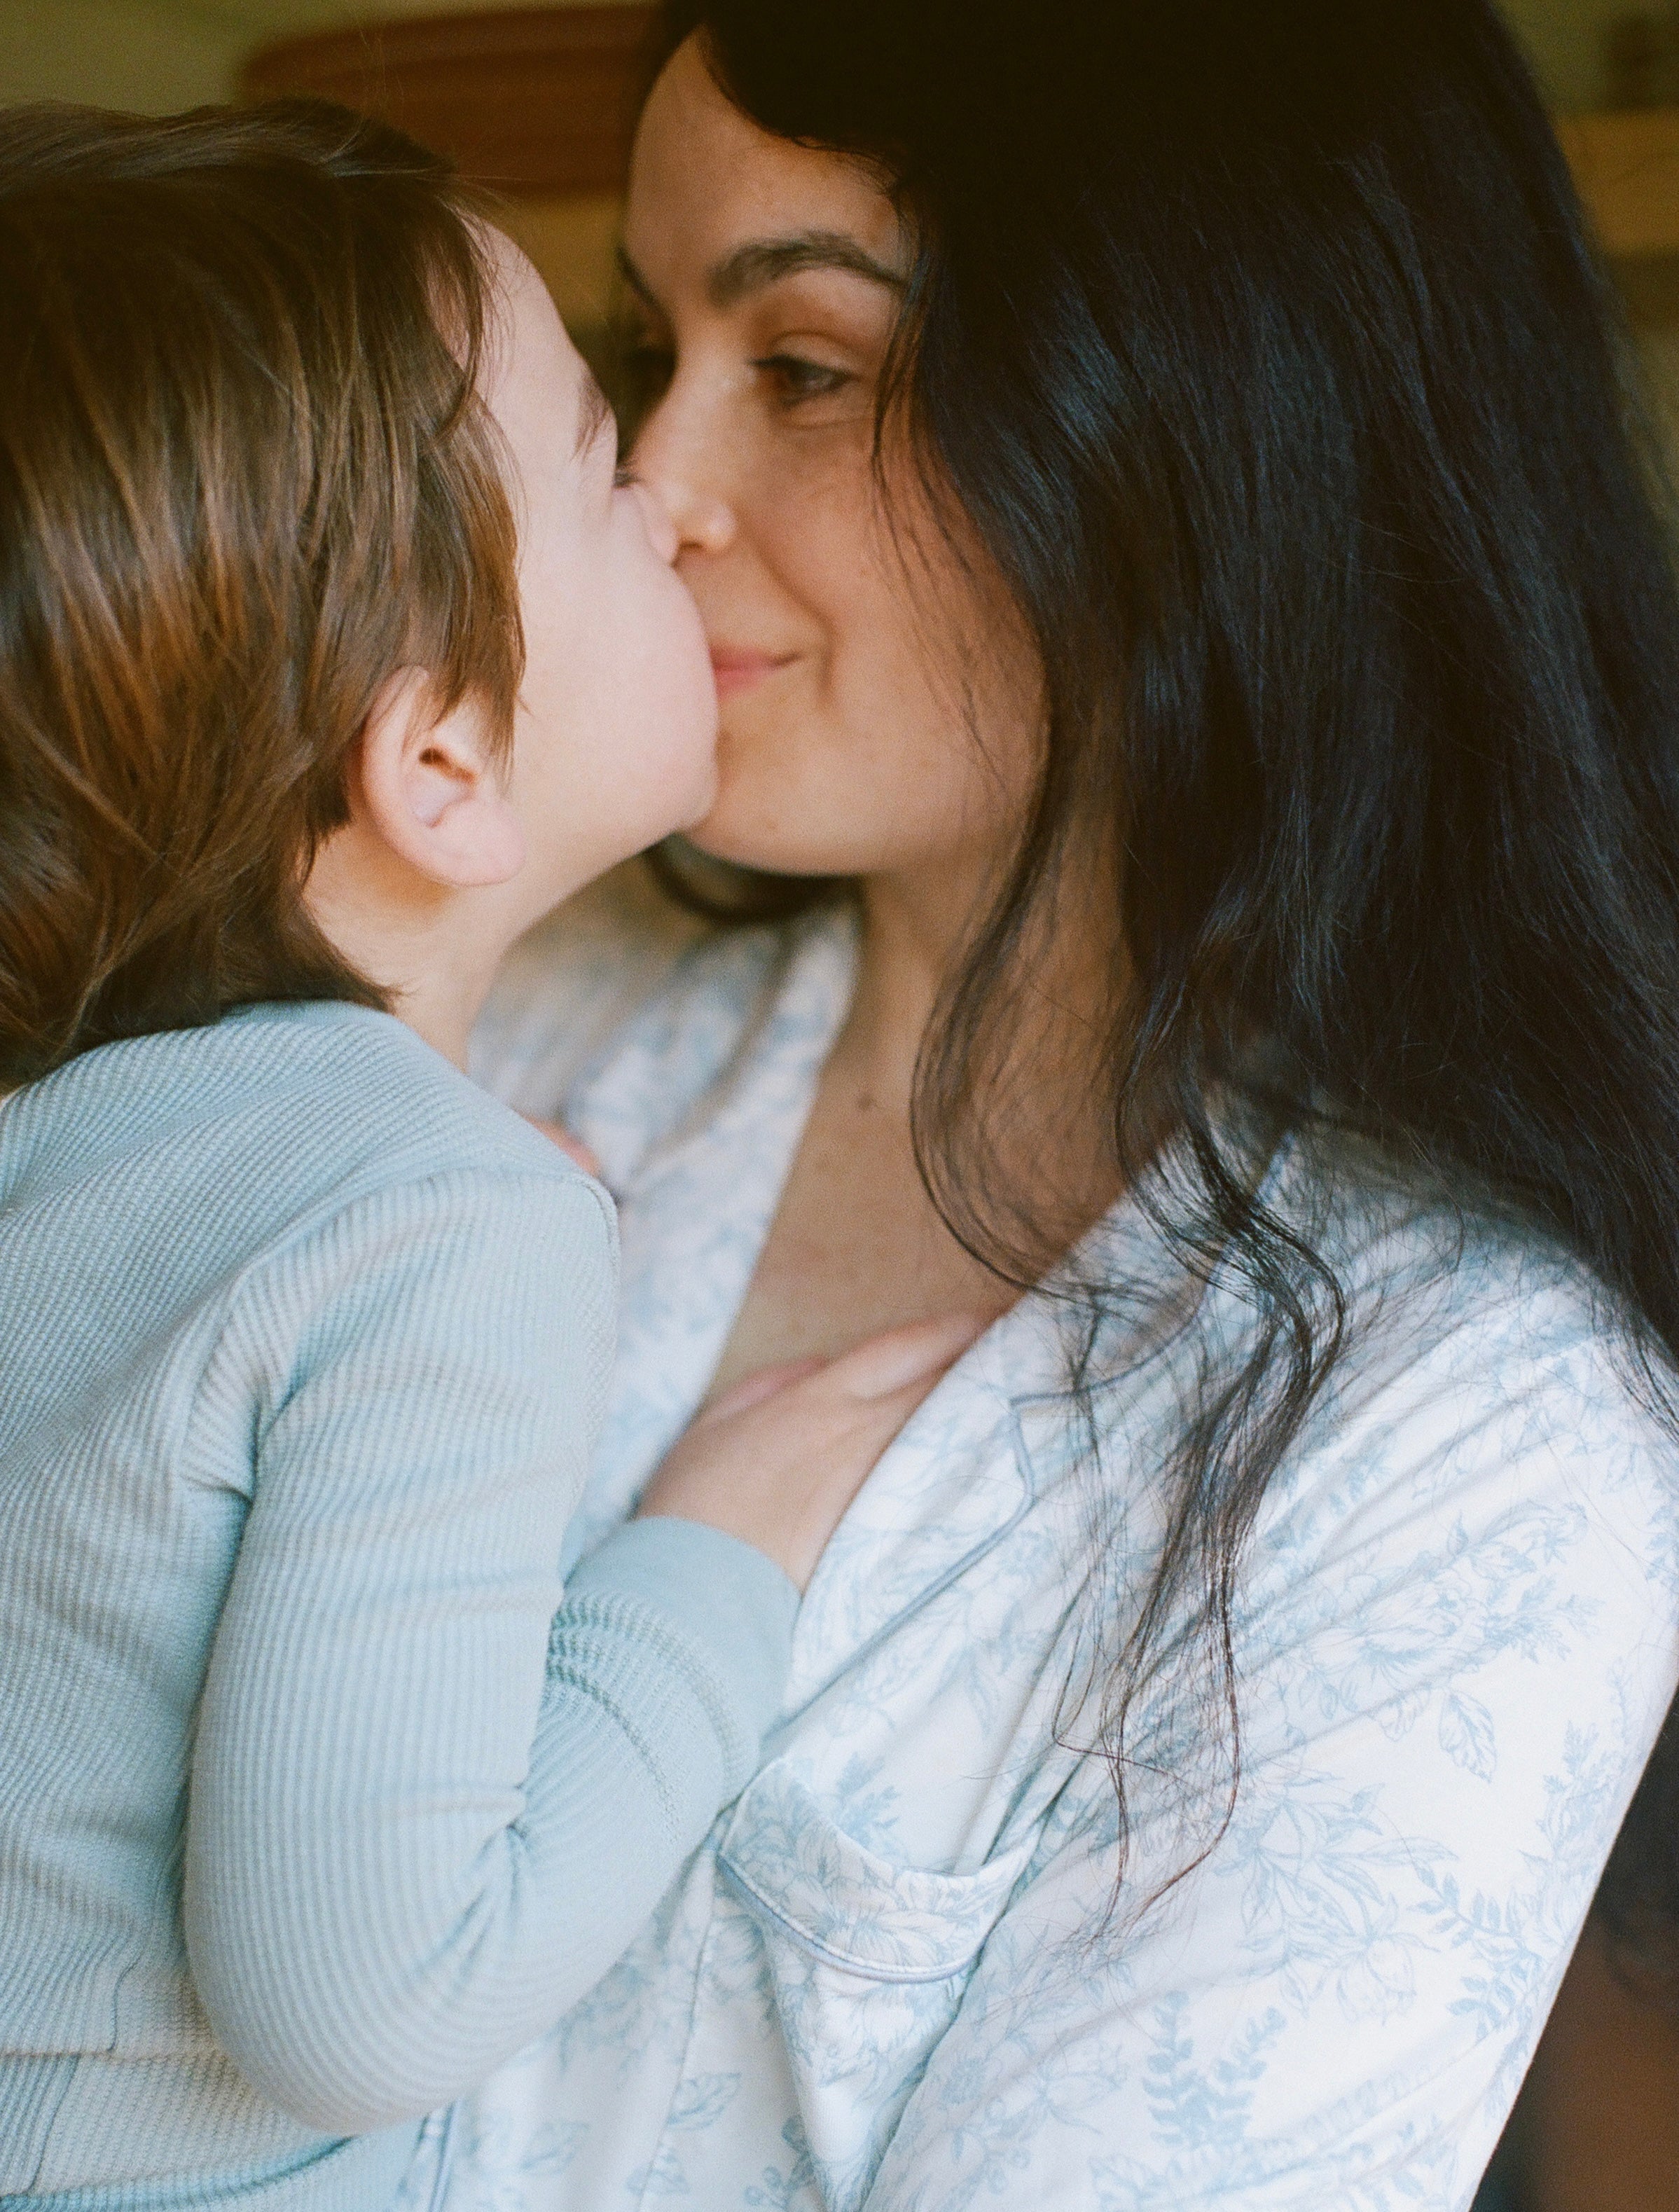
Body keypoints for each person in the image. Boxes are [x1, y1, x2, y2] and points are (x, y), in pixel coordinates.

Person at [415, 1, 1679, 2206]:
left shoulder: (1485, 1422)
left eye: (801, 367)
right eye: (647, 349)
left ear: (1214, 413)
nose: (654, 486)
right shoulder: (495, 987)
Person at [0, 101, 972, 2212]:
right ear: (439, 755)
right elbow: (368, 1998)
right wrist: (716, 1553)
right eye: (605, 479)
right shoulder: (445, 1225)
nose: (681, 508)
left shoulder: (56, 1149)